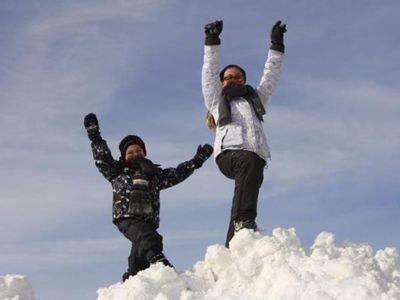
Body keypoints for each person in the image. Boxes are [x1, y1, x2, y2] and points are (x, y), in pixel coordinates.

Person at [83, 113, 213, 281]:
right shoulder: (117, 171)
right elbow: (103, 158)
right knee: (149, 239)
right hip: (127, 216)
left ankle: (133, 280)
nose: (135, 154)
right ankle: (161, 265)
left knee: (140, 257)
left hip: (148, 220)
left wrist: (197, 161)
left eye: (139, 151)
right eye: (130, 152)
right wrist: (95, 136)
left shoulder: (155, 175)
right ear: (124, 156)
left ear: (144, 153)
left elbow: (177, 173)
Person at [201, 20, 287, 247]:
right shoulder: (216, 100)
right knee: (249, 168)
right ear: (221, 83)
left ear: (244, 80)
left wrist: (276, 45)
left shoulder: (255, 99)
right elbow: (209, 72)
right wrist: (212, 40)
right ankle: (243, 221)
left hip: (254, 155)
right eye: (228, 77)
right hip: (230, 154)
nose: (232, 79)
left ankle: (233, 245)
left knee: (246, 192)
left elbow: (271, 77)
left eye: (237, 76)